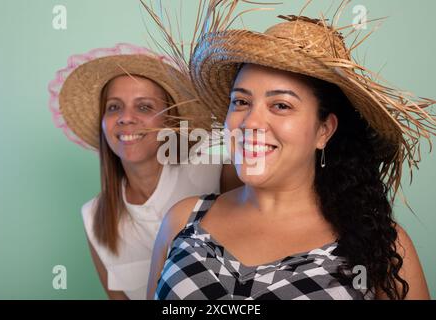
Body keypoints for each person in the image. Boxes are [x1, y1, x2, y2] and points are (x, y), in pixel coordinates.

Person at [145, 4, 435, 300]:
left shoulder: (381, 246)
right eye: (241, 102)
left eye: (281, 105)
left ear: (324, 130)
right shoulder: (183, 220)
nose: (251, 123)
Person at [48, 43, 241, 299]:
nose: (125, 118)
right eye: (114, 107)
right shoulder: (94, 217)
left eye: (144, 107)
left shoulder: (216, 173)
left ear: (170, 120)